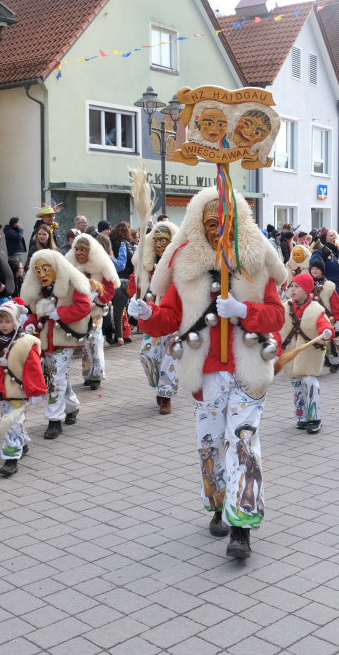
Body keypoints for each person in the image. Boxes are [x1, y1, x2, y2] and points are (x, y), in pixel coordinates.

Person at [129, 187, 286, 559]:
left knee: (243, 445)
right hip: (206, 373)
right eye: (211, 224)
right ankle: (218, 503)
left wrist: (245, 311)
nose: (218, 231)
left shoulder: (256, 261)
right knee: (210, 444)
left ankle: (242, 526)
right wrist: (147, 315)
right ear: (200, 226)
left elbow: (278, 316)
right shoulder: (187, 266)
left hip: (248, 370)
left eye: (225, 223)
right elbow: (170, 318)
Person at [0, 298, 47, 477]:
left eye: (7, 321)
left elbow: (33, 368)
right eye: (0, 321)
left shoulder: (26, 342)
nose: (3, 325)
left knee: (11, 422)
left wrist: (36, 390)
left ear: (16, 321)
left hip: (18, 391)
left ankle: (11, 458)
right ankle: (22, 443)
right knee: (10, 419)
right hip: (0, 389)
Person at [21, 248, 93, 439]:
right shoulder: (39, 289)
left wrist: (60, 313)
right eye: (38, 270)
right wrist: (30, 325)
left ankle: (54, 420)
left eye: (46, 269)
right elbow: (36, 314)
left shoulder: (71, 282)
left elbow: (85, 306)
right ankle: (72, 406)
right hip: (45, 340)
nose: (42, 274)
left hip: (64, 339)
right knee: (57, 376)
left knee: (56, 377)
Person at [129, 220, 179, 414]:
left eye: (164, 240)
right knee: (148, 355)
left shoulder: (179, 264)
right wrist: (136, 296)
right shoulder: (147, 265)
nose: (159, 244)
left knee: (170, 356)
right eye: (156, 240)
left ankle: (166, 396)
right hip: (151, 316)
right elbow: (135, 286)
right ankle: (159, 385)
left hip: (173, 317)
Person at [280, 273, 335, 434]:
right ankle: (301, 416)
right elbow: (277, 326)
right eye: (291, 286)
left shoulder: (316, 310)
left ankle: (314, 417)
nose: (293, 290)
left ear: (306, 289)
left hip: (309, 353)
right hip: (291, 351)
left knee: (309, 382)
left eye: (297, 287)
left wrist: (327, 331)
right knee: (296, 384)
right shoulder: (285, 307)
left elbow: (324, 325)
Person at [65, 232, 118, 390]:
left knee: (95, 340)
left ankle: (97, 374)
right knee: (85, 343)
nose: (79, 253)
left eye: (83, 249)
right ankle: (88, 374)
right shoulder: (73, 266)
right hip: (80, 311)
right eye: (77, 249)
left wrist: (96, 296)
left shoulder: (101, 266)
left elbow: (110, 288)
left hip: (95, 311)